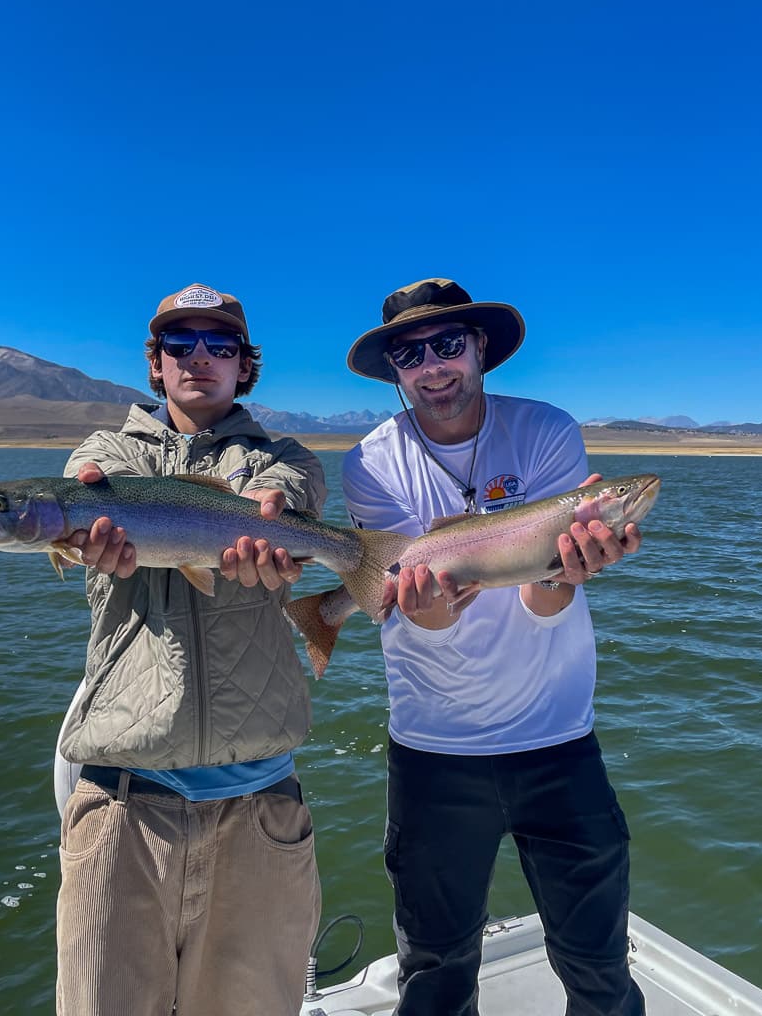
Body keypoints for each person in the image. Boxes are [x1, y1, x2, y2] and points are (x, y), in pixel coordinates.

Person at [342, 277, 647, 1016]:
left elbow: (548, 596)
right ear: (394, 371)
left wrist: (562, 575)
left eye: (448, 344)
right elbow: (423, 621)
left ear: (480, 348)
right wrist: (432, 611)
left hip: (558, 739)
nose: (433, 366)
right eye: (411, 354)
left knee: (600, 967)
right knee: (435, 975)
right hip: (434, 751)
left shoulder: (545, 431)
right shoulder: (370, 463)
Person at [54, 282, 324, 1016]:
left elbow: (283, 497)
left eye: (219, 345)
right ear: (156, 364)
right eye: (180, 344)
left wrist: (278, 525)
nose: (198, 358)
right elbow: (86, 481)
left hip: (261, 811)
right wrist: (88, 523)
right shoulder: (105, 457)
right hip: (124, 805)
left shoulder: (286, 458)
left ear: (245, 366)